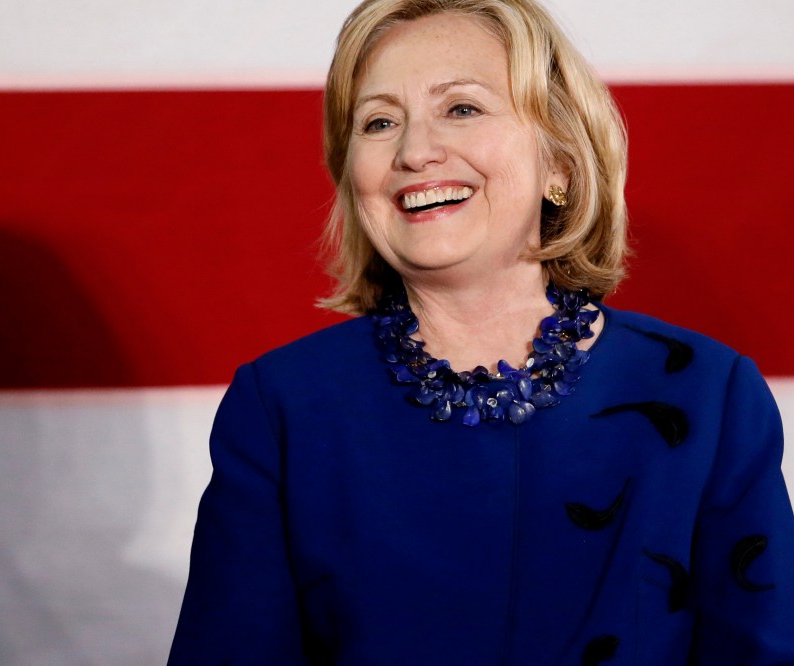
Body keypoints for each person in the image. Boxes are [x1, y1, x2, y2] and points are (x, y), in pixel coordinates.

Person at [168, 0, 794, 663]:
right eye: (379, 122)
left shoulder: (710, 396)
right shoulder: (282, 408)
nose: (414, 152)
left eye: (461, 108)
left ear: (561, 162)